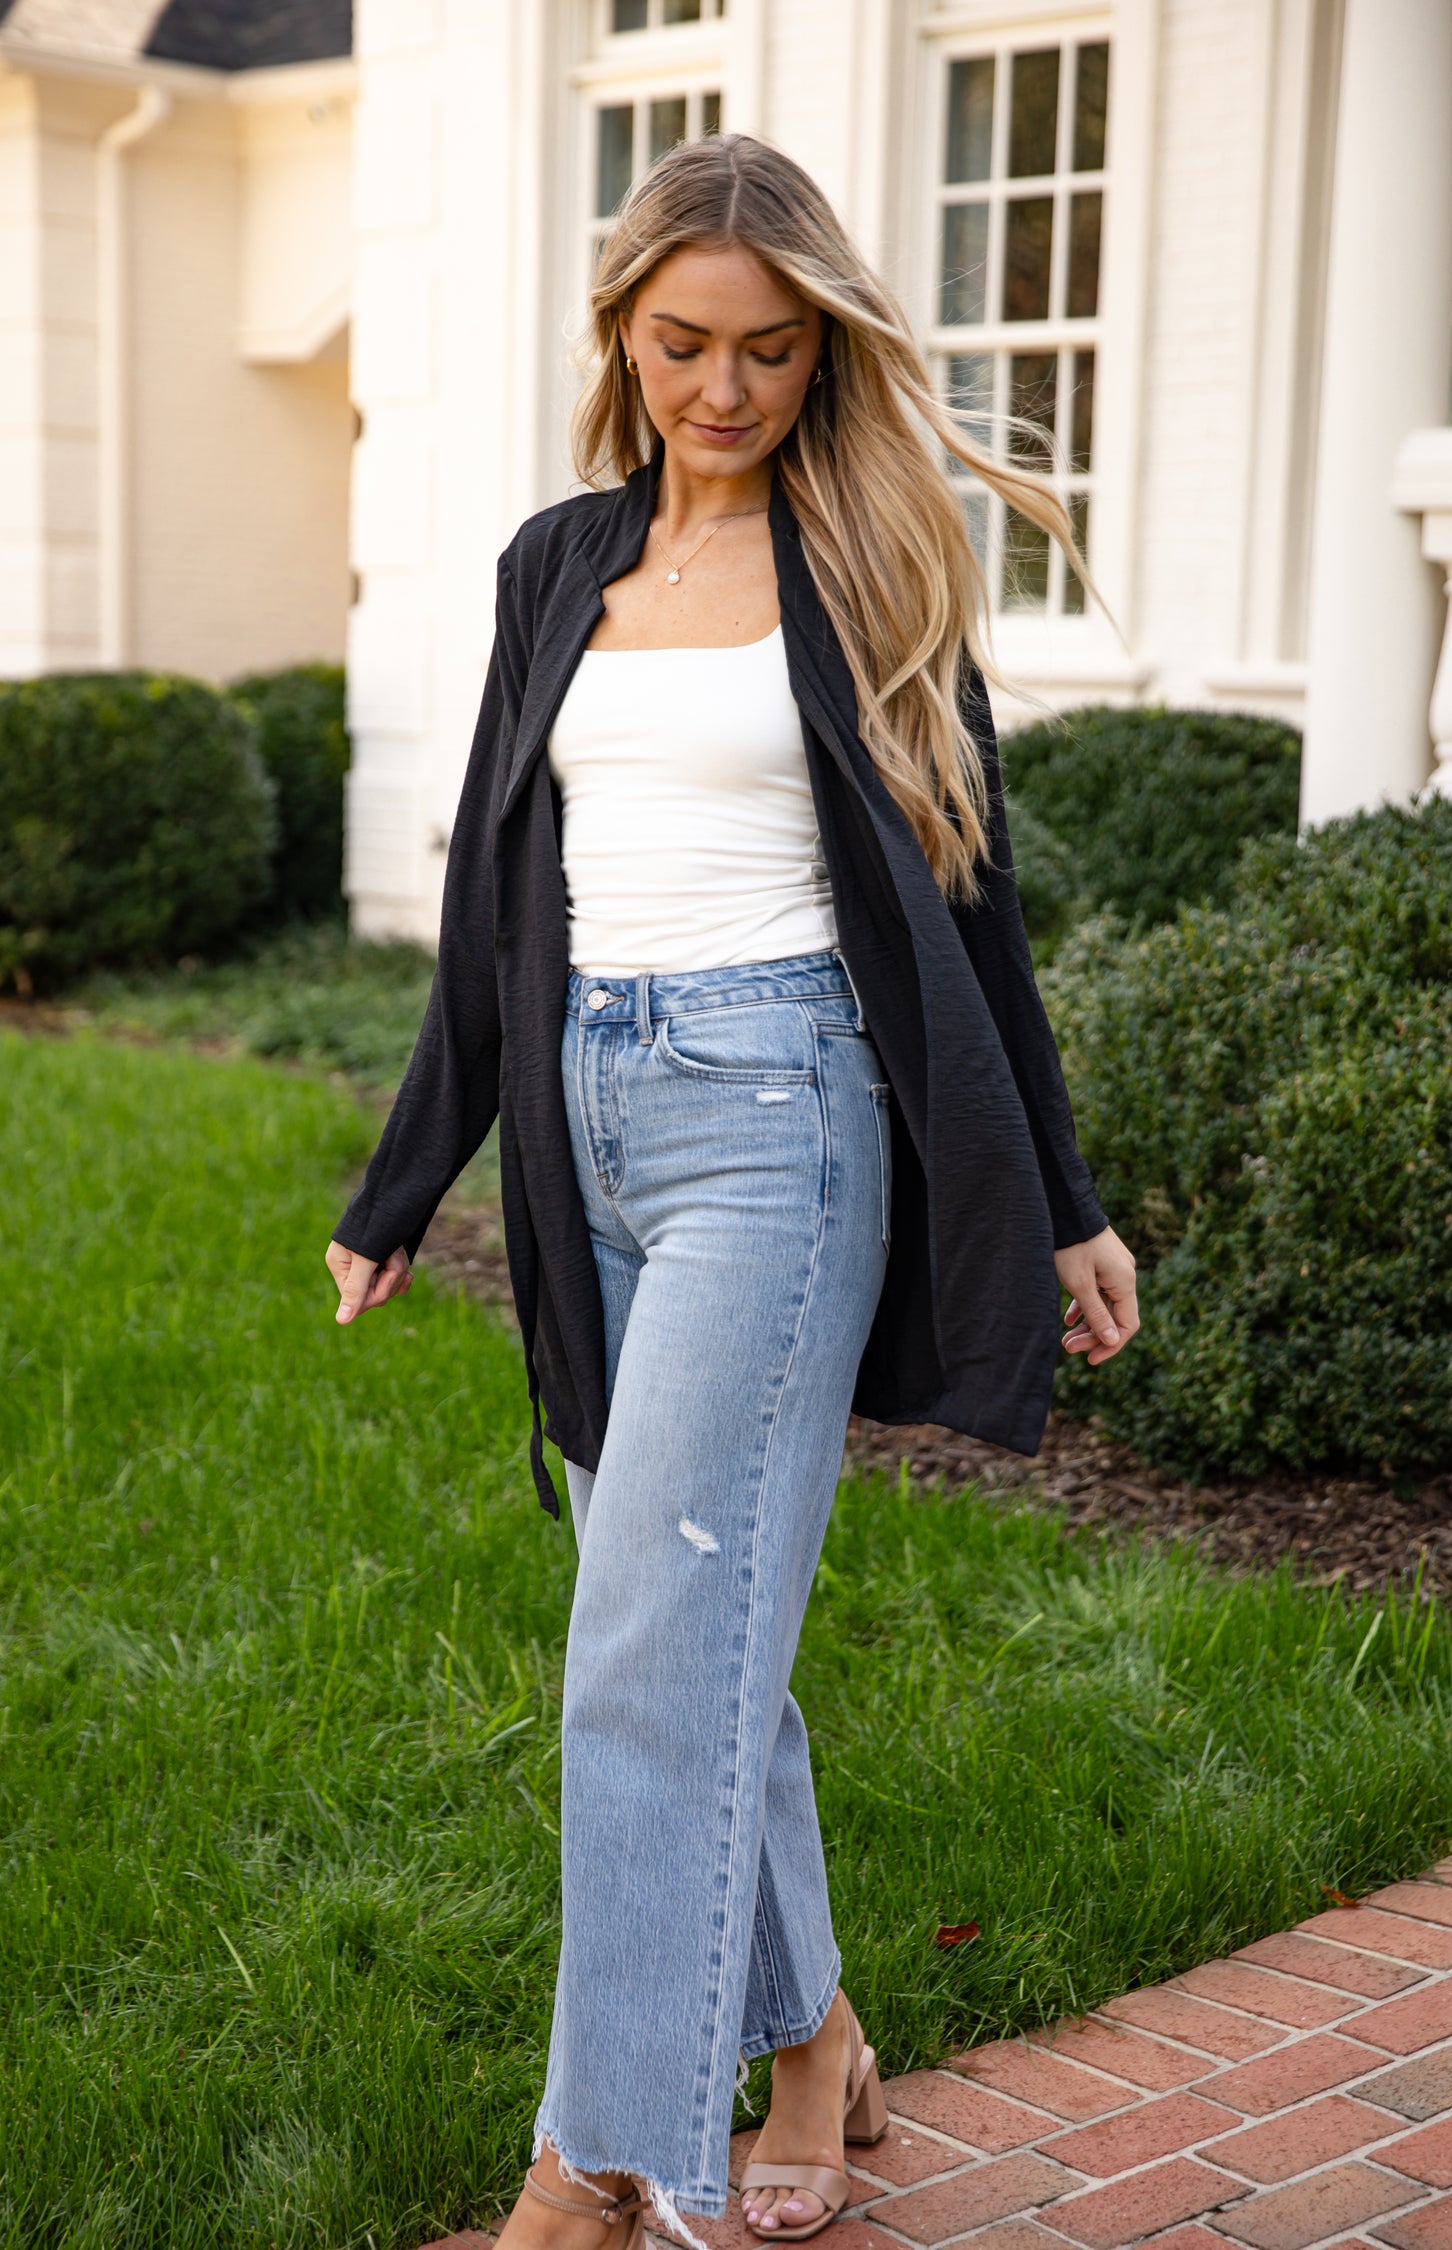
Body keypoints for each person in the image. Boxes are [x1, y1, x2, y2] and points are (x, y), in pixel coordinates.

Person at [325, 133, 1138, 2250]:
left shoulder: (866, 562)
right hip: (585, 1121)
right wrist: (407, 1179)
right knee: (697, 1624)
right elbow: (490, 895)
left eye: (770, 350)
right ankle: (815, 2039)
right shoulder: (555, 566)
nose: (724, 388)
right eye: (684, 344)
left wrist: (1062, 1198)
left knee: (645, 1651)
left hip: (782, 1124)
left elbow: (975, 906)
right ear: (621, 332)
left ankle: (593, 2166)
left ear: (821, 351)